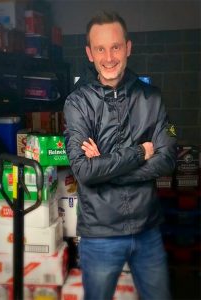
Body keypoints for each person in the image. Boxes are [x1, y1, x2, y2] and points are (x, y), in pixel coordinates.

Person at [63, 11, 177, 300]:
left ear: (128, 47)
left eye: (115, 46)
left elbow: (167, 160)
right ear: (90, 53)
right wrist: (140, 152)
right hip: (100, 234)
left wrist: (106, 168)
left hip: (147, 229)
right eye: (100, 48)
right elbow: (85, 172)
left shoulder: (152, 98)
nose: (109, 56)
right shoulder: (77, 103)